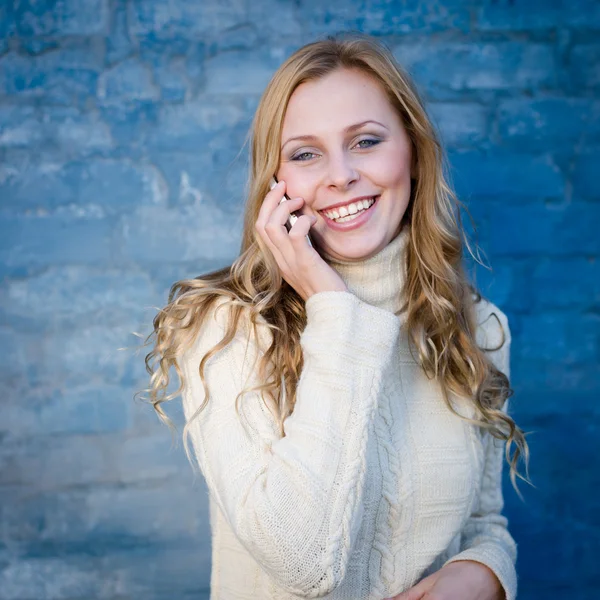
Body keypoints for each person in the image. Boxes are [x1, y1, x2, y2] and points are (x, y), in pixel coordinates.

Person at [142, 35, 531, 600]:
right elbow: (304, 563)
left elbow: (483, 524)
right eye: (305, 154)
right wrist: (335, 312)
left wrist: (483, 575)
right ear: (276, 183)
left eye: (366, 141)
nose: (340, 175)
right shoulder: (226, 328)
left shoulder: (479, 329)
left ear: (414, 152)